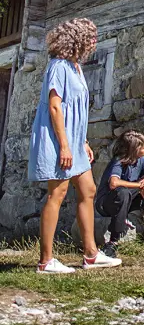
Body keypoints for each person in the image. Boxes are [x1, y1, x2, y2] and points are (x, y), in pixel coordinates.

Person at [28, 18, 122, 273]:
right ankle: (45, 261)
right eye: (91, 37)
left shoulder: (76, 67)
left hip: (74, 141)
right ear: (77, 39)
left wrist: (83, 141)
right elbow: (55, 107)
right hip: (58, 140)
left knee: (88, 190)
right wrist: (66, 146)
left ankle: (91, 254)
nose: (94, 42)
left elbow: (77, 111)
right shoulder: (58, 66)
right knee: (56, 194)